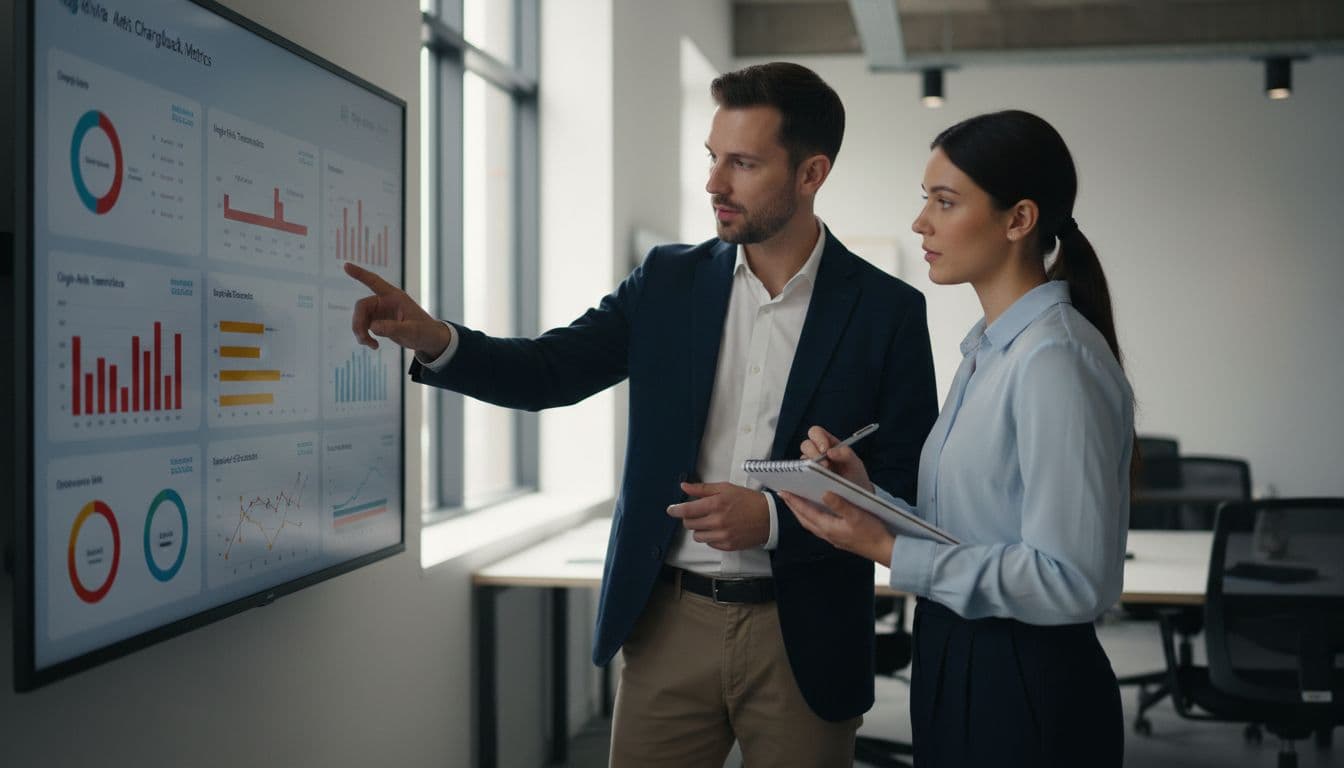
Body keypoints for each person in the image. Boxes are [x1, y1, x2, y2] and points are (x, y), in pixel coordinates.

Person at [345, 63, 938, 766]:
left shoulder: (887, 312)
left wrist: (774, 519)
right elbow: (549, 371)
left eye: (743, 163)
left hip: (804, 632)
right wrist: (437, 339)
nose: (715, 183)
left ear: (812, 174)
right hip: (667, 624)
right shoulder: (668, 281)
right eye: (713, 158)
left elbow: (903, 481)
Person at [782, 110, 1134, 768]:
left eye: (945, 202)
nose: (922, 223)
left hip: (1025, 675)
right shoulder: (988, 353)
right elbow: (971, 535)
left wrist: (885, 546)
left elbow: (1074, 581)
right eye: (926, 201)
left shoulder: (1053, 361)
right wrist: (869, 498)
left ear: (1019, 219)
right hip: (956, 651)